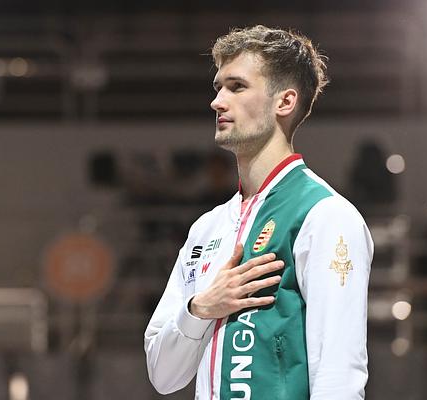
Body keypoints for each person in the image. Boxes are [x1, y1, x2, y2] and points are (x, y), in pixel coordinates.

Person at [144, 25, 373, 400]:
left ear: (284, 102)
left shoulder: (326, 215)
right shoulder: (206, 228)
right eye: (218, 87)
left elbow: (339, 377)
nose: (217, 102)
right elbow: (162, 375)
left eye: (236, 87)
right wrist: (200, 308)